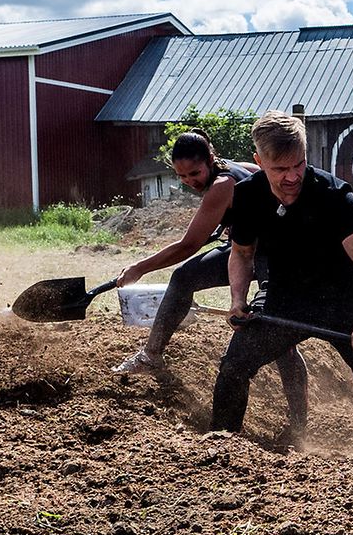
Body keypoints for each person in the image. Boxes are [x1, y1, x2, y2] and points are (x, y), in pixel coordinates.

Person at [213, 111, 353, 449]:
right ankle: (221, 449)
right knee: (233, 368)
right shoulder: (248, 195)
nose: (291, 177)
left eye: (298, 165)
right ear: (259, 161)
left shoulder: (333, 195)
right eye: (280, 169)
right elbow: (241, 253)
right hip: (285, 299)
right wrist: (237, 300)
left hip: (341, 299)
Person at [110, 134, 310, 426]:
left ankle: (298, 423)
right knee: (183, 278)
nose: (190, 180)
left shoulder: (221, 185)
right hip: (245, 248)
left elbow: (188, 244)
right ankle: (151, 355)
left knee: (279, 334)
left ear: (210, 160)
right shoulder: (236, 168)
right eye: (181, 175)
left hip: (277, 255)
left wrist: (141, 267)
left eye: (194, 172)